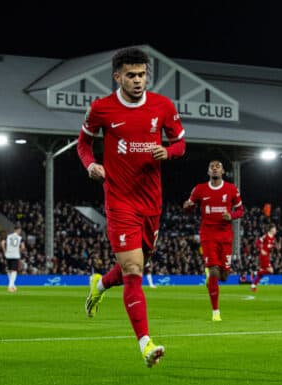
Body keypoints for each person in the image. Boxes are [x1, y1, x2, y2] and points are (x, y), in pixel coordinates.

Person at [77, 46, 186, 367]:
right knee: (133, 269)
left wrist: (170, 152)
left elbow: (180, 141)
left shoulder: (163, 106)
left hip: (152, 201)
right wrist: (90, 165)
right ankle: (145, 343)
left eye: (142, 75)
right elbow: (83, 142)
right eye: (131, 75)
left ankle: (100, 284)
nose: (138, 81)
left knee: (141, 261)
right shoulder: (102, 108)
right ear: (117, 76)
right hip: (119, 200)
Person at [183, 160, 244, 321]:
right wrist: (187, 206)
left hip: (225, 236)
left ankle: (211, 276)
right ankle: (215, 312)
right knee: (214, 271)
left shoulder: (231, 189)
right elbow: (189, 209)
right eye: (212, 167)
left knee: (224, 276)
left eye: (218, 167)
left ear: (223, 171)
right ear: (208, 172)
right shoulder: (199, 189)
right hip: (208, 235)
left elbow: (240, 210)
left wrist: (232, 216)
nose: (215, 169)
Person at [251, 224, 277, 292]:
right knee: (271, 271)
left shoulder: (273, 238)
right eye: (274, 229)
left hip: (267, 256)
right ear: (271, 229)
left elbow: (270, 247)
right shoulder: (266, 236)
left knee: (262, 274)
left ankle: (253, 286)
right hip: (263, 256)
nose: (275, 230)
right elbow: (257, 243)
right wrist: (261, 250)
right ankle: (255, 273)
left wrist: (273, 248)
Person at [1, 225, 25, 292]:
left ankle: (13, 285)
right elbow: (23, 247)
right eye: (20, 230)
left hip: (8, 255)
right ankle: (10, 286)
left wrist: (4, 251)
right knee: (14, 271)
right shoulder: (20, 238)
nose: (20, 232)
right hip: (15, 255)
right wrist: (19, 251)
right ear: (18, 230)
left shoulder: (8, 236)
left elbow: (2, 243)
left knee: (9, 270)